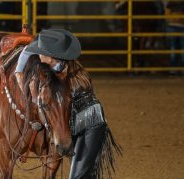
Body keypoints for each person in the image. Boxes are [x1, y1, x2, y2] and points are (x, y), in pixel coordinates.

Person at [15, 29, 121, 179]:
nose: (38, 57)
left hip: (90, 125)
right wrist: (19, 72)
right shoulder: (60, 67)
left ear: (50, 58)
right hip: (79, 123)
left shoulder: (70, 77)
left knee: (78, 176)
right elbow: (27, 50)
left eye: (41, 54)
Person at [165, 2, 184, 76]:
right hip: (177, 26)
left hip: (179, 26)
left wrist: (177, 18)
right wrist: (182, 18)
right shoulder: (171, 3)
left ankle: (181, 70)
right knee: (176, 49)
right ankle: (175, 70)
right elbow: (167, 15)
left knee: (182, 49)